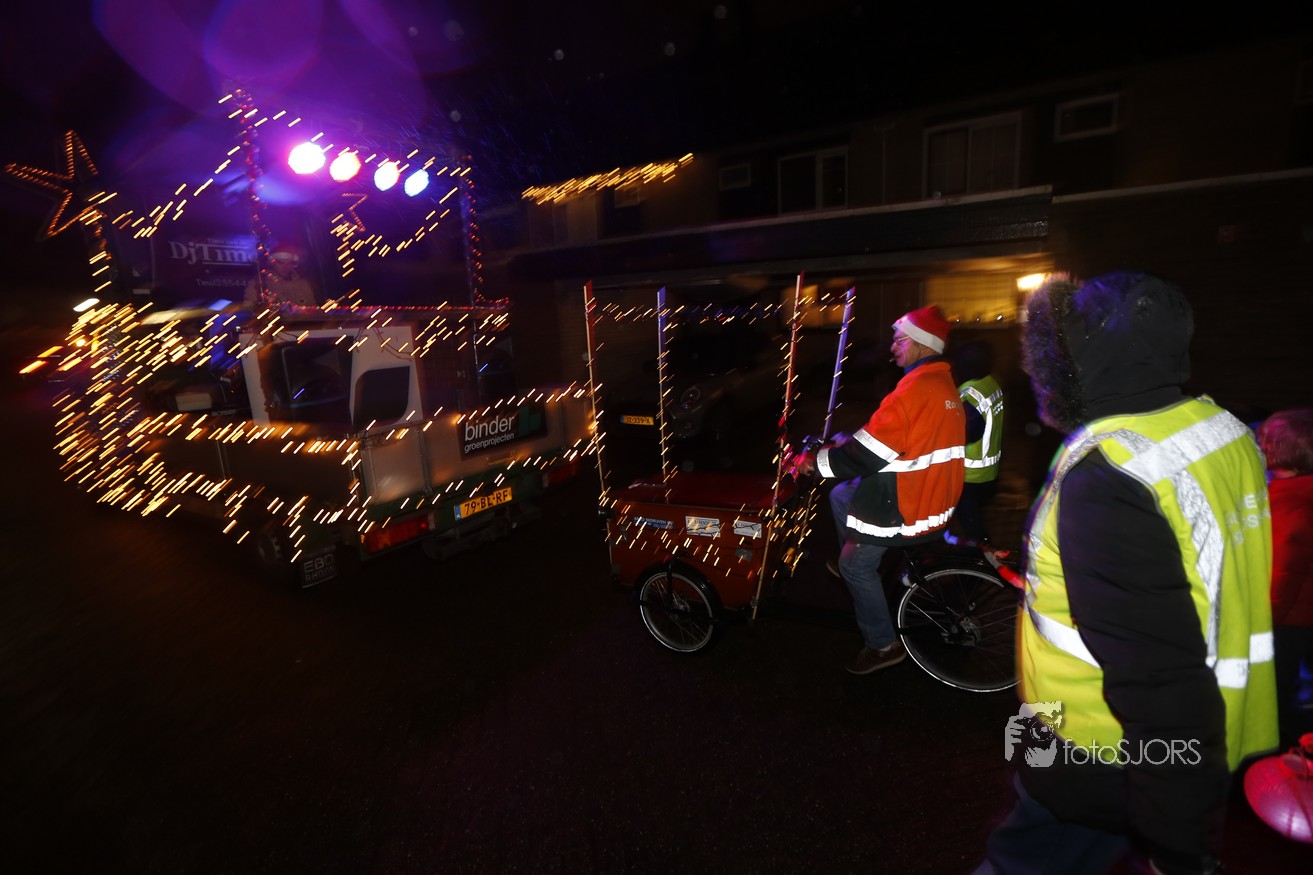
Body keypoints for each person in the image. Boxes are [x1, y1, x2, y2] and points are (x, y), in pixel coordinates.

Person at [976, 272, 1277, 875]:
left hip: (1101, 750)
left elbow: (1157, 674)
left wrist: (1179, 846)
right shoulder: (1217, 430)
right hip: (1207, 736)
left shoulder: (1111, 470)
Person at [795, 305, 965, 675]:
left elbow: (868, 454)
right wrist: (846, 442)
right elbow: (892, 438)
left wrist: (814, 462)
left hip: (907, 504)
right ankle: (858, 558)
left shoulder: (914, 390)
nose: (893, 347)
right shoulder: (940, 383)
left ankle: (882, 645)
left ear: (922, 344)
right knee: (841, 495)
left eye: (900, 340)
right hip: (932, 493)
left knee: (853, 566)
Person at [1256, 408, 1313, 748]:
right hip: (1301, 615)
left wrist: (1265, 623)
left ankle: (1281, 753)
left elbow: (1285, 570)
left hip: (1290, 619)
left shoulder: (1290, 501)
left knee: (1277, 696)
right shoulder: (1299, 491)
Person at [948, 340, 1005, 545]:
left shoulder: (970, 394)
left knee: (973, 531)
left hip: (969, 476)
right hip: (988, 472)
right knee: (973, 524)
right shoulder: (990, 383)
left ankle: (981, 558)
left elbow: (967, 433)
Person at [244, 244, 317, 309]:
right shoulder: (259, 283)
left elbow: (313, 310)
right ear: (272, 263)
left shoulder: (302, 284)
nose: (285, 267)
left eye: (289, 263)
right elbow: (250, 309)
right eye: (281, 263)